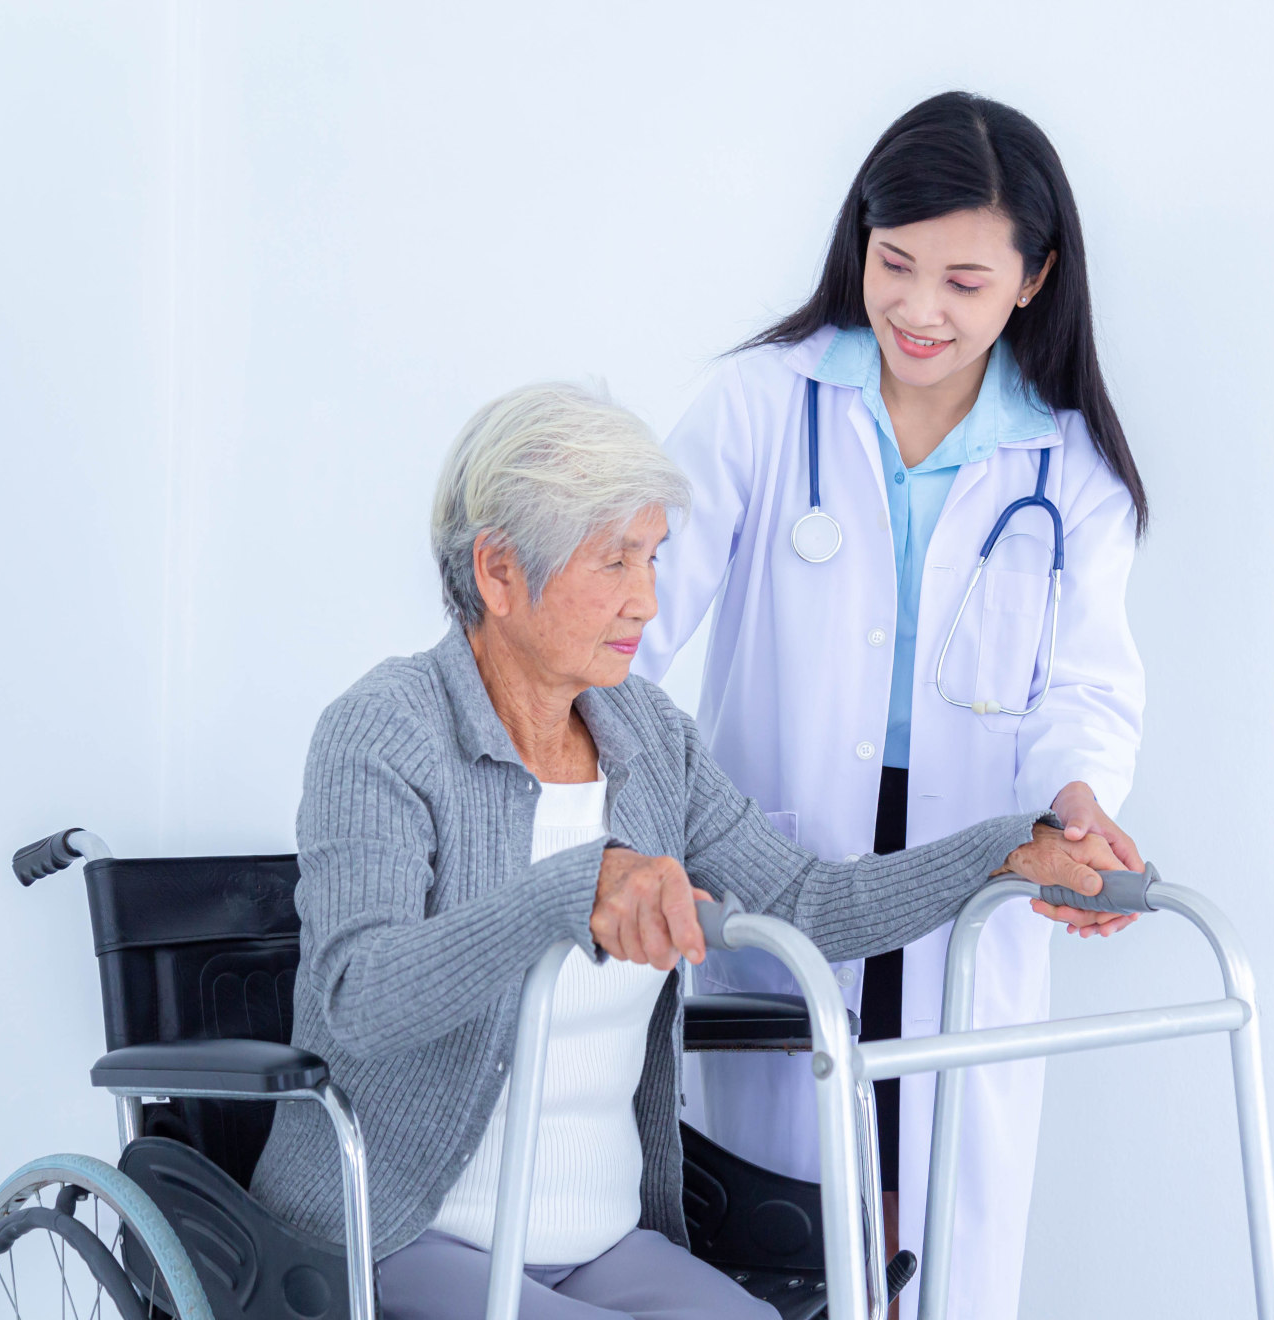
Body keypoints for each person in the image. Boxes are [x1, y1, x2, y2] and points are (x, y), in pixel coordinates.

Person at [249, 382, 1136, 1320]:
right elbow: (357, 998)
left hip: (598, 1239)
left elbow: (806, 903)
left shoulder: (646, 736)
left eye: (654, 557)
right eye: (614, 562)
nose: (648, 598)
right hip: (399, 1232)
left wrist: (1006, 854)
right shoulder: (383, 732)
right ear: (500, 573)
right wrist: (569, 894)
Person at [634, 92, 1148, 1319]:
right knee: (776, 1229)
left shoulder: (1070, 468)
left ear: (1034, 280)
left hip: (971, 861)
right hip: (778, 857)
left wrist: (1081, 811)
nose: (920, 309)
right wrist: (629, 827)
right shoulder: (763, 405)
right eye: (895, 263)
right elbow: (629, 631)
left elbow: (1086, 684)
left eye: (964, 282)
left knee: (940, 1221)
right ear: (858, 240)